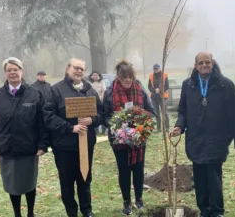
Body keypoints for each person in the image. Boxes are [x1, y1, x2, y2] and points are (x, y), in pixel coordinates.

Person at [170, 52, 235, 217]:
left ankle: (217, 211)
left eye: (207, 62)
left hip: (216, 139)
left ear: (212, 63)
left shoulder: (225, 85)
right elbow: (183, 111)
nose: (204, 65)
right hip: (195, 139)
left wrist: (227, 138)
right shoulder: (189, 85)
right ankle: (204, 210)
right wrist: (179, 126)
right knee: (199, 178)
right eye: (200, 63)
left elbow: (233, 114)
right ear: (195, 66)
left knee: (214, 177)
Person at [0, 57, 49, 217]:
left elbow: (42, 121)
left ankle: (30, 213)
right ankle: (17, 214)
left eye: (16, 69)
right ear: (5, 73)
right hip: (7, 147)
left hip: (28, 147)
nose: (12, 73)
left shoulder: (34, 94)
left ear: (22, 71)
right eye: (9, 70)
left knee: (29, 183)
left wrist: (43, 145)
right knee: (12, 184)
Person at [43, 58, 103, 217]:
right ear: (68, 69)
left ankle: (87, 210)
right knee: (67, 181)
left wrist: (92, 120)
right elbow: (48, 116)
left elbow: (101, 113)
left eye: (82, 69)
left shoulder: (90, 90)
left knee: (85, 178)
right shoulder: (56, 90)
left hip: (86, 144)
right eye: (76, 68)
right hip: (64, 146)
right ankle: (71, 212)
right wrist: (70, 128)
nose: (79, 71)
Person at [102, 60, 155, 216]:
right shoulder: (111, 92)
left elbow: (151, 111)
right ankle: (127, 202)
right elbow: (105, 115)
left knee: (138, 169)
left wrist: (143, 123)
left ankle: (139, 199)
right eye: (124, 77)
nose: (127, 80)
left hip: (139, 138)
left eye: (130, 76)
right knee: (124, 170)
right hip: (119, 140)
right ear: (118, 76)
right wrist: (117, 127)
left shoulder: (140, 89)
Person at [147, 64, 169, 132]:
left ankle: (167, 128)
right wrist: (154, 90)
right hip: (154, 97)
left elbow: (167, 86)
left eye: (157, 68)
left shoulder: (164, 75)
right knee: (157, 114)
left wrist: (160, 90)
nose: (155, 70)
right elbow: (149, 86)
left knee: (164, 113)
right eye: (154, 69)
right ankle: (158, 129)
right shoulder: (151, 76)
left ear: (159, 68)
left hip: (163, 97)